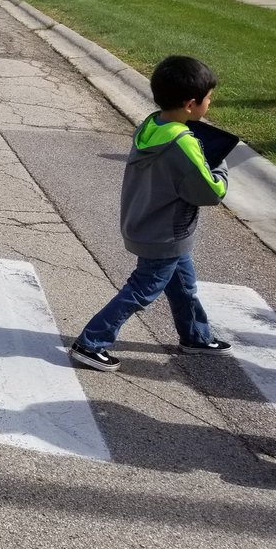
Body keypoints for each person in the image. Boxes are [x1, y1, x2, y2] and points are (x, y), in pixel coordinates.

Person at [69, 55, 232, 372]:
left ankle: (195, 336)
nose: (209, 104)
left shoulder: (153, 124)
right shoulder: (183, 142)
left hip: (151, 223)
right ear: (190, 103)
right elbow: (209, 192)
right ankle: (90, 342)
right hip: (165, 233)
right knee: (142, 289)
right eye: (208, 99)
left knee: (183, 285)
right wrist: (220, 163)